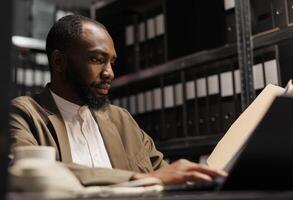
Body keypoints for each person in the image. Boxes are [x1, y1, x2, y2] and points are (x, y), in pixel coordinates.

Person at [9, 14, 226, 186]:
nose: (109, 73)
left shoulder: (122, 120)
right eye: (97, 59)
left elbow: (164, 173)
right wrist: (136, 180)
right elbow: (31, 169)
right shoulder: (24, 113)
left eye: (111, 62)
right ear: (58, 62)